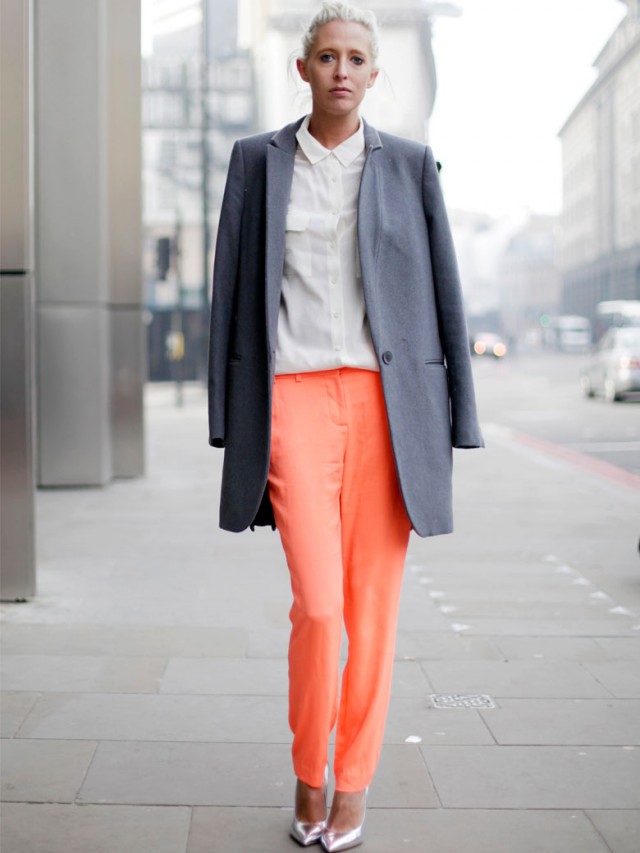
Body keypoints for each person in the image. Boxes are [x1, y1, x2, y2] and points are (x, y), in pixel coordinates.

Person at [208, 2, 484, 849]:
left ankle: (353, 780)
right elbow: (230, 293)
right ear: (304, 70)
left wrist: (459, 417)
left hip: (385, 406)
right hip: (292, 399)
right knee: (320, 607)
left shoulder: (408, 166)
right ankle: (308, 765)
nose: (339, 69)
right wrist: (226, 415)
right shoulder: (257, 163)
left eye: (355, 58)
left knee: (374, 607)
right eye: (324, 56)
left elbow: (443, 296)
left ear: (372, 74)